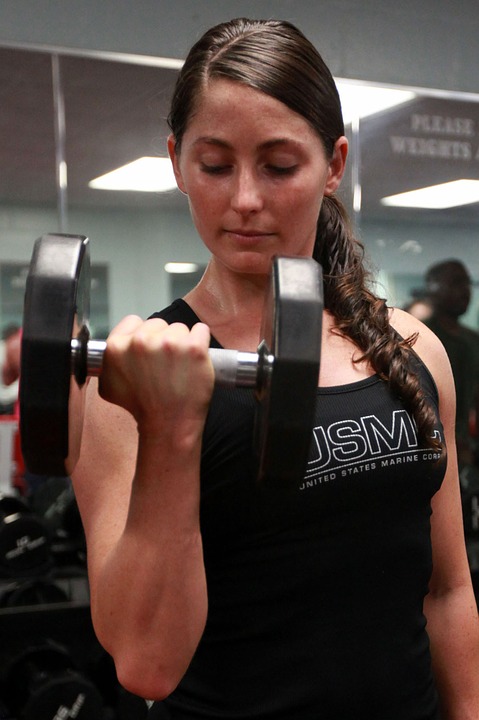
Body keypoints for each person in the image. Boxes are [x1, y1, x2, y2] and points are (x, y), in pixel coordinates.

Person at [72, 18, 479, 720]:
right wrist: (171, 430)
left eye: (279, 165)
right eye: (215, 163)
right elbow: (145, 664)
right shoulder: (124, 383)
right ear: (176, 161)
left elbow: (446, 591)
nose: (246, 200)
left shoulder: (414, 350)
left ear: (333, 164)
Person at [424, 259, 479, 469]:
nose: (465, 291)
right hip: (427, 447)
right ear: (433, 287)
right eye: (456, 283)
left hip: (465, 451)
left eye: (467, 283)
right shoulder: (418, 335)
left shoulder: (473, 341)